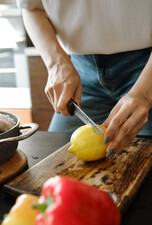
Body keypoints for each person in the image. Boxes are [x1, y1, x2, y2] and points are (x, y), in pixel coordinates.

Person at [17, 0, 152, 159]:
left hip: (146, 70)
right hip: (80, 74)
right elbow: (32, 8)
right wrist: (56, 63)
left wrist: (144, 94)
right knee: (56, 158)